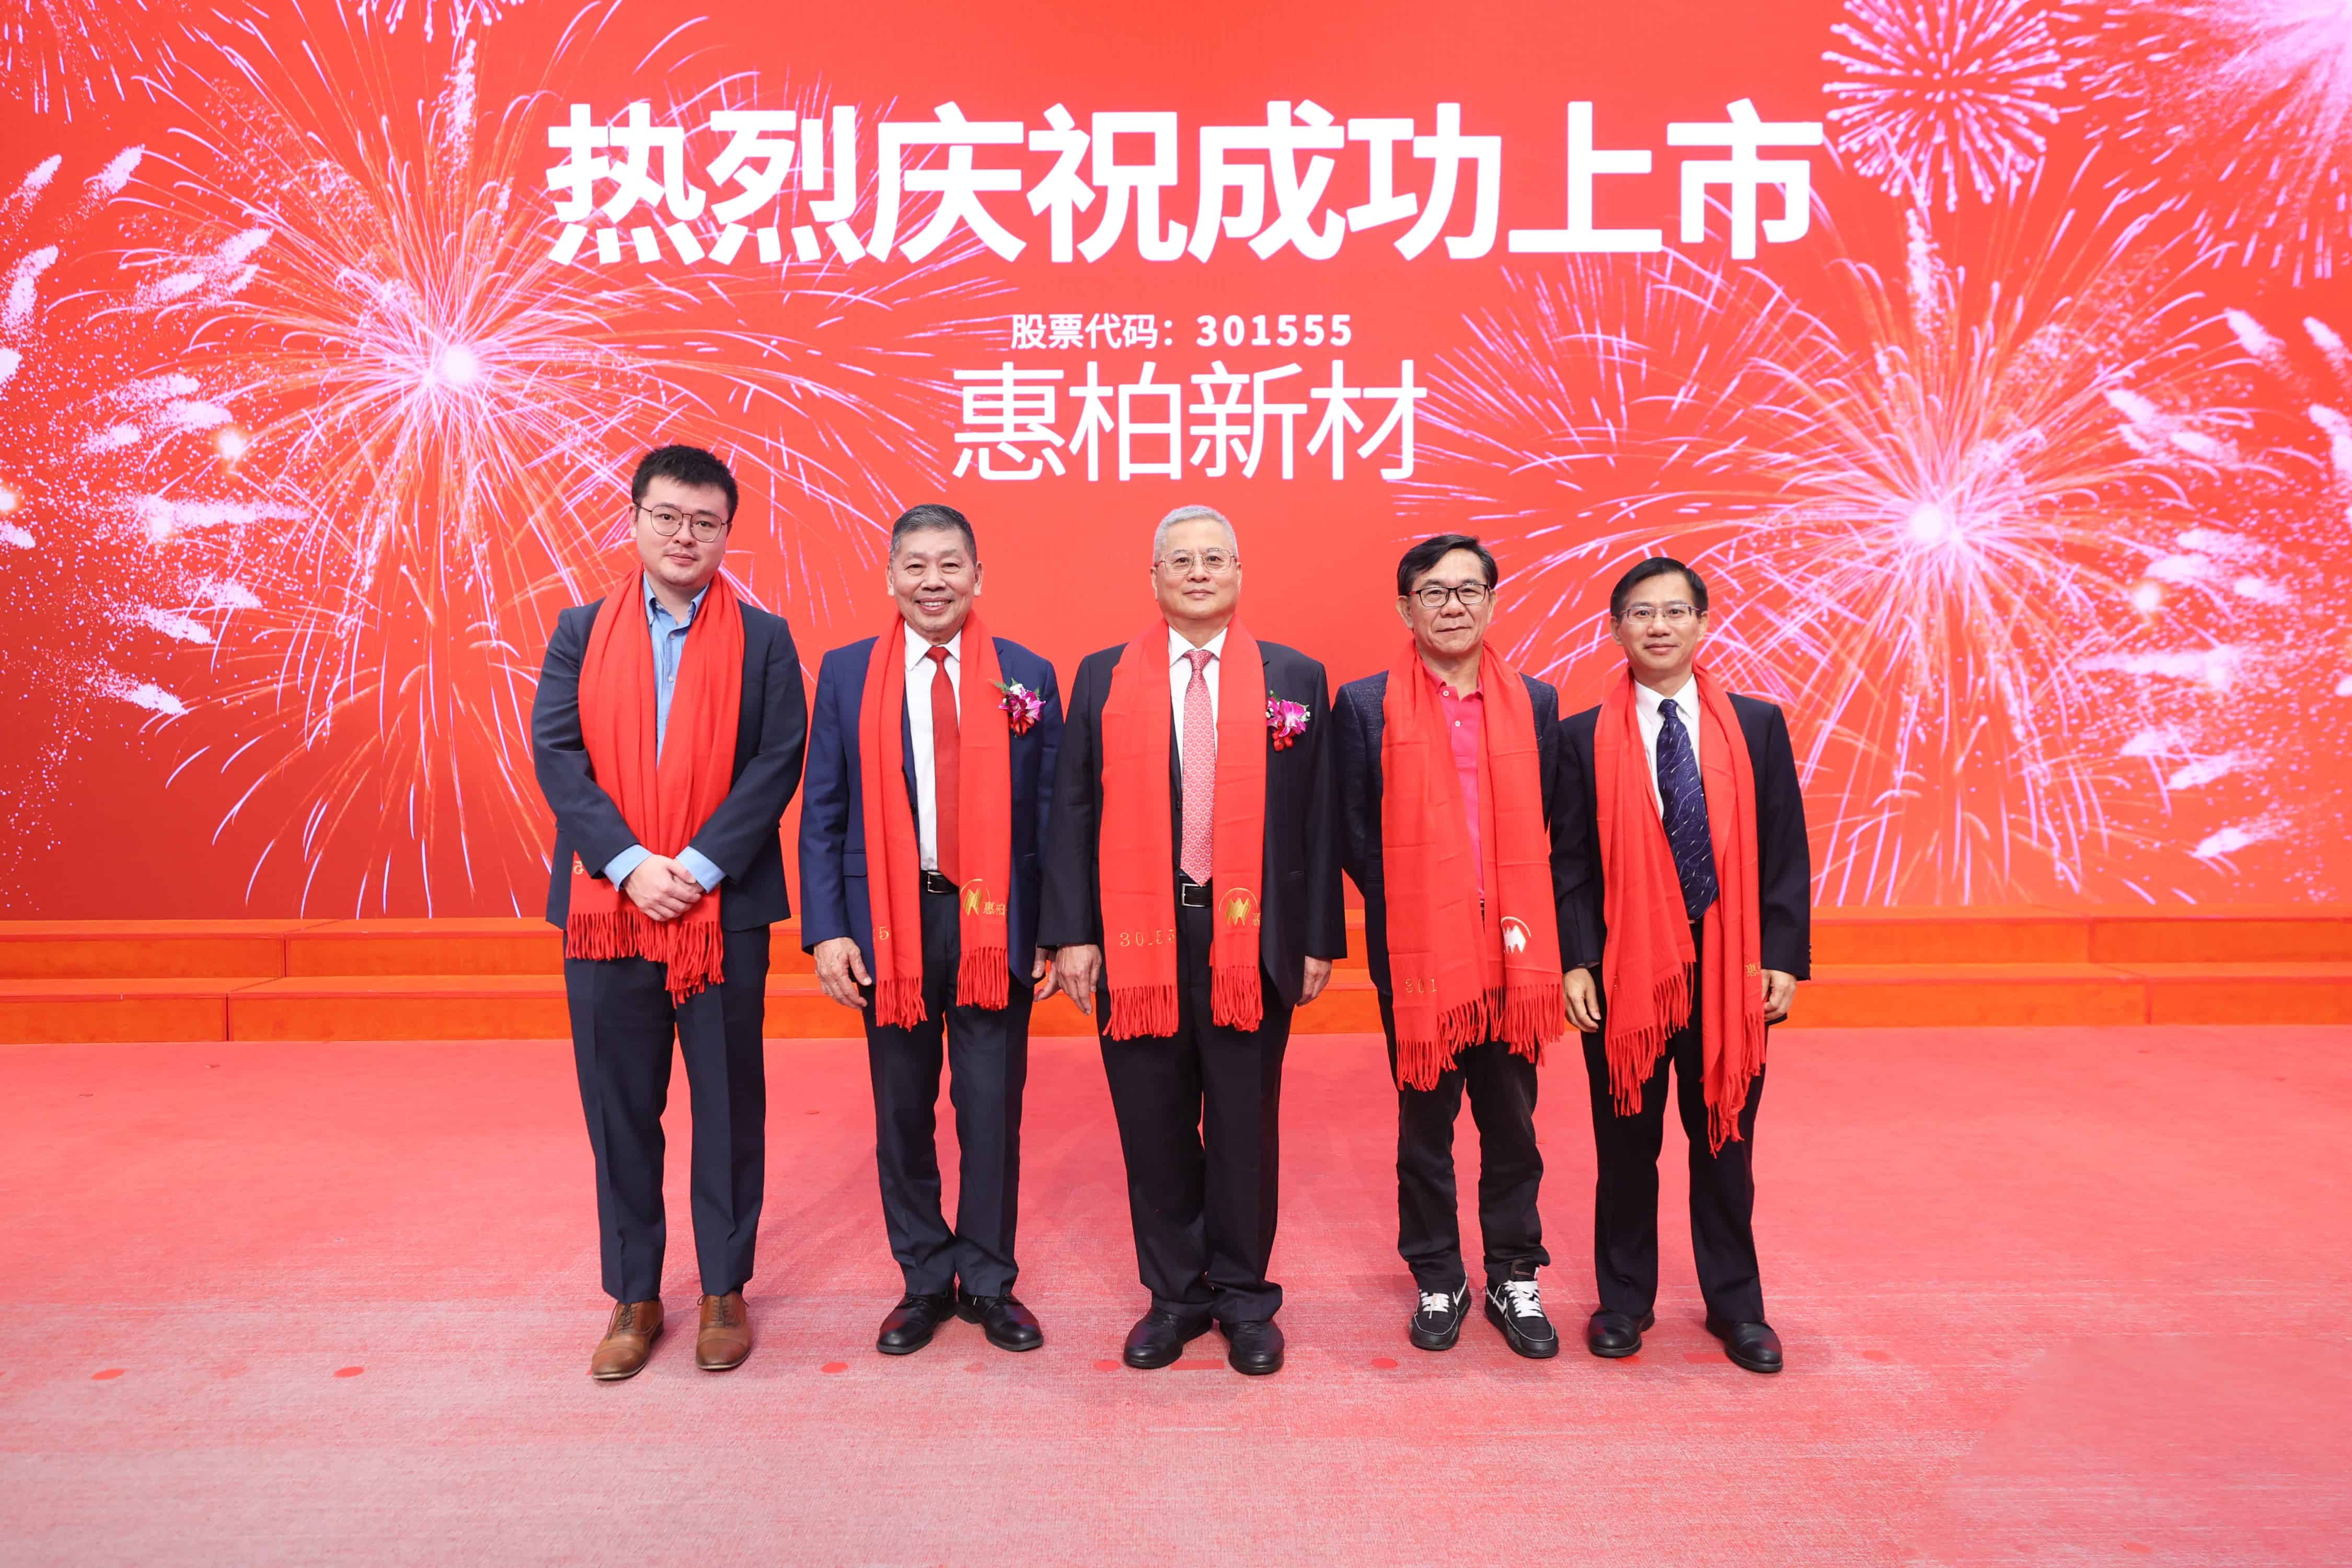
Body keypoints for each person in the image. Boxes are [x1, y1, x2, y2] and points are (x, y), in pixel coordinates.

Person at [1040, 504, 1344, 1377]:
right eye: (1182, 561)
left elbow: (1320, 816)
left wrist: (1317, 937)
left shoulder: (1295, 676)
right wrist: (1073, 933)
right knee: (1154, 1123)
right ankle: (1175, 1296)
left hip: (1251, 937)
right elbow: (1073, 808)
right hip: (1139, 935)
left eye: (1215, 558)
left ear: (1240, 573)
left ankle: (1245, 1298)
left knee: (1245, 1127)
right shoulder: (1103, 676)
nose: (1199, 572)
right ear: (1155, 578)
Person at [530, 444, 807, 1381]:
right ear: (635, 519)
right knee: (619, 1109)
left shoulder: (765, 640)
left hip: (720, 910)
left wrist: (692, 867)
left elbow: (777, 762)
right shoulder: (579, 632)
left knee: (727, 1105)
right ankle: (634, 1295)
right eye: (669, 516)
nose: (686, 536)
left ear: (728, 533)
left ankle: (725, 1290)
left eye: (706, 522)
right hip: (608, 908)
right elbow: (558, 756)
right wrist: (630, 866)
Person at [798, 504, 1064, 1357]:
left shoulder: (1026, 673)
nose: (934, 581)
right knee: (902, 1110)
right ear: (890, 579)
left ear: (978, 576)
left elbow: (1051, 814)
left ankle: (988, 1280)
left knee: (990, 1111)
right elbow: (824, 809)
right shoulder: (846, 673)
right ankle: (922, 1280)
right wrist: (827, 930)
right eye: (915, 565)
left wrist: (1052, 929)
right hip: (889, 922)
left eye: (951, 564)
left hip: (994, 924)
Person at [1557, 557, 1809, 1374]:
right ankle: (1623, 1299)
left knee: (1724, 1143)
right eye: (1640, 613)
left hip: (1730, 972)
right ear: (1616, 629)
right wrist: (1576, 960)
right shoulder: (1581, 737)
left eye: (1674, 611)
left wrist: (1783, 956)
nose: (1658, 626)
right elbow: (1571, 862)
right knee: (1625, 1144)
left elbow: (1784, 848)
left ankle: (1737, 1306)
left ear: (1703, 623)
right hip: (1625, 973)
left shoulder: (1758, 726)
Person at [1334, 534, 1578, 1359]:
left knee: (1513, 1125)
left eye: (1469, 590)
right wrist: (1420, 909)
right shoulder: (1365, 706)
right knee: (1425, 1127)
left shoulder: (1535, 702)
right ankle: (1438, 1274)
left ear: (1493, 603)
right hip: (1420, 952)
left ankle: (1514, 1272)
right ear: (1406, 609)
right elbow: (1354, 830)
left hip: (1513, 950)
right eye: (1434, 593)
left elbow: (1550, 818)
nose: (1453, 606)